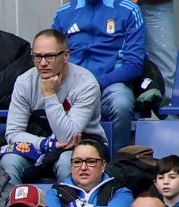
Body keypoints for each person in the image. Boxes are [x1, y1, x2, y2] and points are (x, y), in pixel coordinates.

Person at [0, 29, 101, 186]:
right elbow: (13, 133)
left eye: (50, 56)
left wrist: (49, 94)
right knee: (9, 161)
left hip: (81, 145)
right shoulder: (24, 82)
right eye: (37, 56)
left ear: (66, 56)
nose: (43, 63)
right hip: (37, 145)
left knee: (69, 162)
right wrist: (44, 144)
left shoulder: (86, 84)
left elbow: (67, 137)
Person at [54, 0, 144, 155]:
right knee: (49, 101)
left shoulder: (129, 10)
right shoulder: (63, 13)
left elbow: (134, 64)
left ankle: (117, 162)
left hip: (111, 85)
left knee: (121, 104)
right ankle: (65, 158)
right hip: (72, 86)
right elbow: (53, 58)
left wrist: (96, 83)